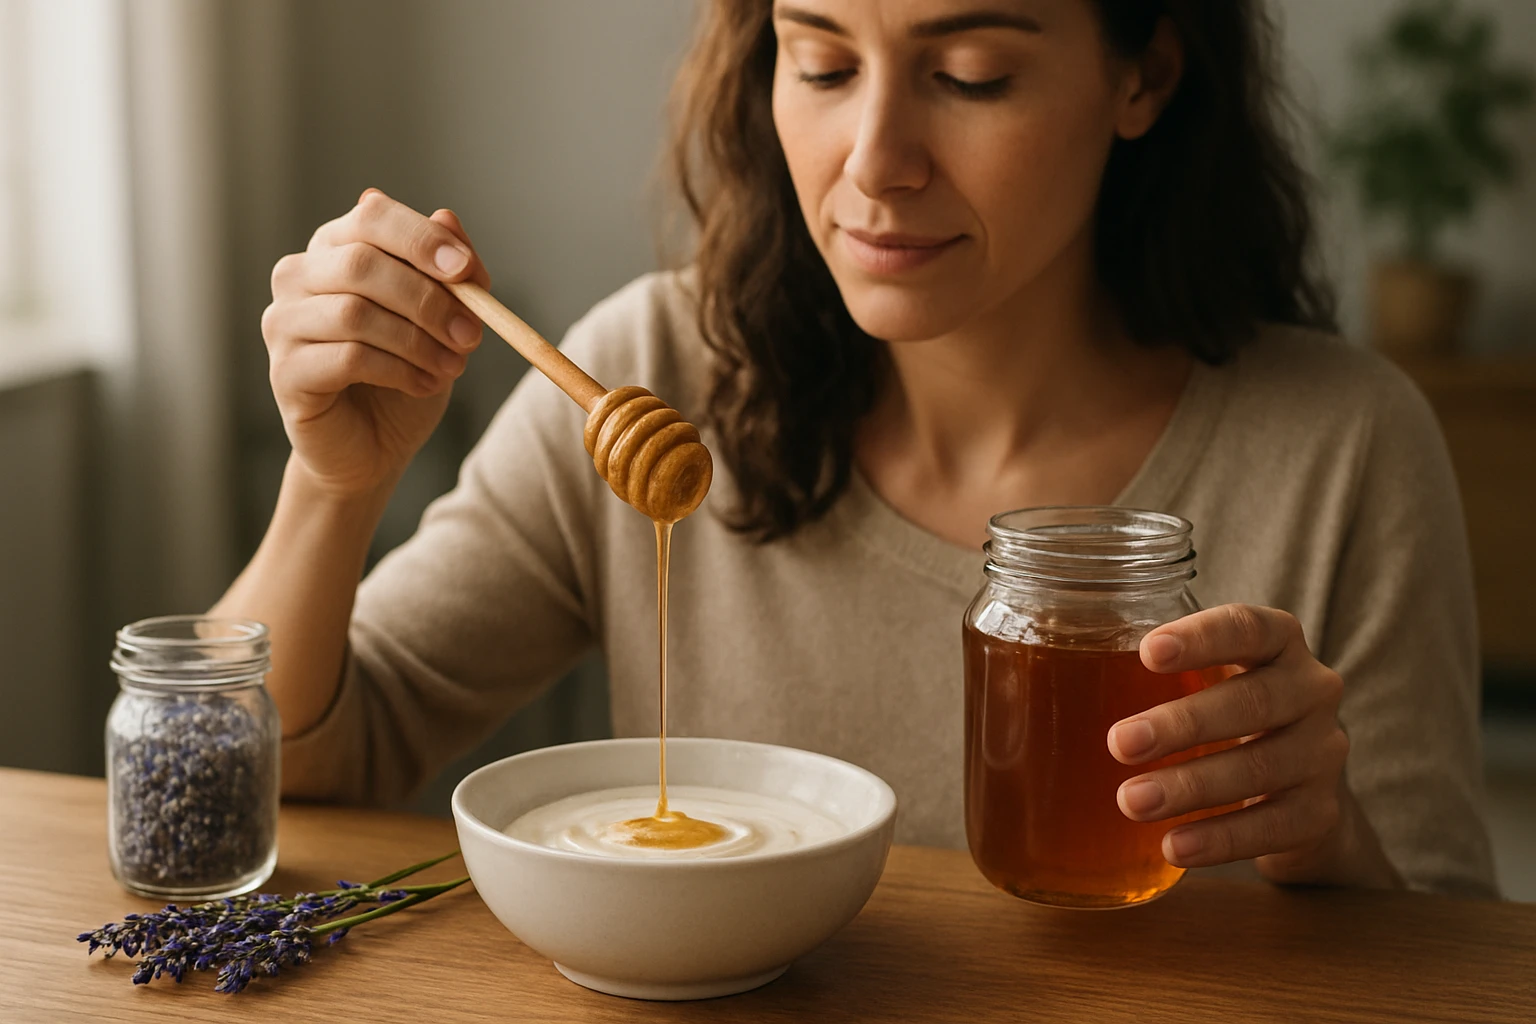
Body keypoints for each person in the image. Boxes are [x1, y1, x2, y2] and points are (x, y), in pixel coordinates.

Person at [215, 0, 1498, 897]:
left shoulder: (1343, 446)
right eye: (821, 65)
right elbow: (279, 771)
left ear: (1142, 76)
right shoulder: (645, 373)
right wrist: (333, 488)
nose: (874, 165)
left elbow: (1451, 960)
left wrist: (1326, 842)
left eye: (971, 75)